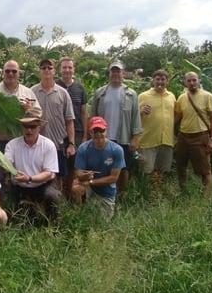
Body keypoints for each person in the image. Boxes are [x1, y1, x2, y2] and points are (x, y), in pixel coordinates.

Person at [91, 61, 142, 196]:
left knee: (123, 168)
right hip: (103, 138)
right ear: (109, 73)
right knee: (102, 167)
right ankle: (102, 195)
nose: (115, 74)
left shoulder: (131, 94)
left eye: (118, 71)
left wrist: (135, 137)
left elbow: (136, 116)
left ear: (123, 73)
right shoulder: (100, 93)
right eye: (113, 71)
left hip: (123, 137)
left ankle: (121, 195)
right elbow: (93, 116)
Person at [4, 108, 61, 220]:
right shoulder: (12, 145)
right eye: (26, 126)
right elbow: (6, 164)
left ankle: (53, 225)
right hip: (20, 186)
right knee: (11, 211)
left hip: (43, 185)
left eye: (33, 127)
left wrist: (29, 179)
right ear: (21, 127)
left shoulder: (48, 145)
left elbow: (48, 173)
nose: (29, 130)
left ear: (39, 127)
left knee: (52, 196)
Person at [31, 58, 75, 190]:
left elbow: (69, 120)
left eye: (49, 68)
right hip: (38, 143)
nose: (46, 70)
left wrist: (71, 143)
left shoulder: (63, 93)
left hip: (58, 143)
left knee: (58, 178)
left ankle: (58, 207)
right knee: (39, 174)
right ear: (39, 71)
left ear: (54, 71)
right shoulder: (32, 91)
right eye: (43, 68)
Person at [72, 117, 126, 220]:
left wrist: (91, 181)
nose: (98, 134)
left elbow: (113, 178)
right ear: (90, 133)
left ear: (106, 131)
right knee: (76, 188)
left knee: (103, 222)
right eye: (95, 131)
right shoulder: (83, 148)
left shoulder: (117, 150)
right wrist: (84, 176)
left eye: (101, 130)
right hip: (87, 184)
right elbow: (78, 173)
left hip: (106, 190)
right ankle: (78, 212)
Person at [0, 60, 41, 152]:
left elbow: (38, 116)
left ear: (19, 73)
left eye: (14, 71)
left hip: (19, 142)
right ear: (2, 72)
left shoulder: (28, 92)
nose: (11, 73)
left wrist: (29, 110)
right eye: (7, 71)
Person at [175, 72, 212, 196]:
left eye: (194, 80)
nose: (192, 83)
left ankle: (206, 198)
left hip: (201, 136)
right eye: (189, 81)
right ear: (185, 82)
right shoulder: (182, 97)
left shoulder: (207, 96)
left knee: (205, 169)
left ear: (199, 80)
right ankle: (183, 191)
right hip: (183, 136)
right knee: (180, 165)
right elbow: (177, 117)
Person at [56, 56, 88, 198]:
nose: (67, 70)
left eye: (70, 67)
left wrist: (86, 134)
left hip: (78, 132)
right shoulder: (55, 85)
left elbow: (83, 112)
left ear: (73, 69)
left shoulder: (80, 88)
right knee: (59, 166)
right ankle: (59, 195)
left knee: (73, 166)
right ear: (60, 70)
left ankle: (69, 194)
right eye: (64, 67)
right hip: (59, 132)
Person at [138, 70, 176, 185]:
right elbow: (132, 117)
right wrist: (141, 112)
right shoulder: (143, 96)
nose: (160, 82)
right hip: (148, 141)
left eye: (163, 79)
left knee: (163, 171)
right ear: (152, 81)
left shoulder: (171, 96)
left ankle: (158, 195)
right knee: (146, 171)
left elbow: (176, 114)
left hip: (166, 140)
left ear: (167, 81)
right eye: (157, 79)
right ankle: (144, 195)